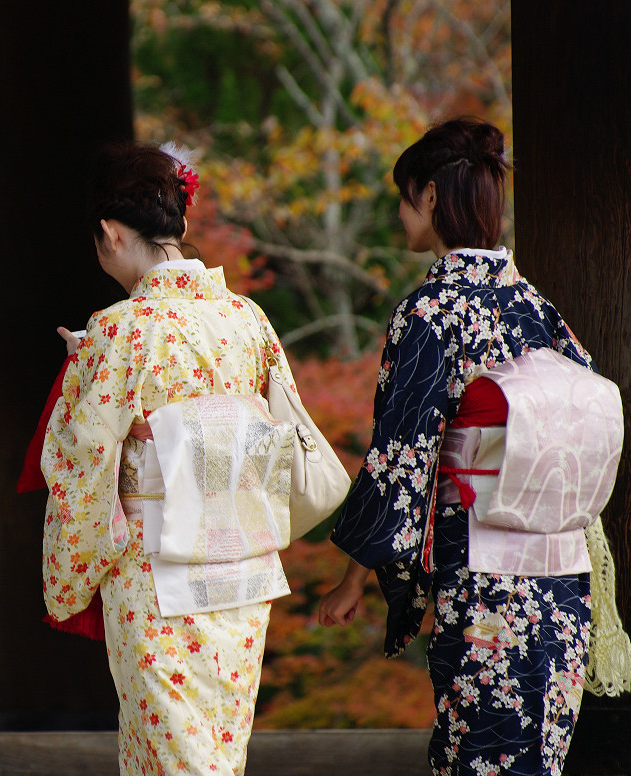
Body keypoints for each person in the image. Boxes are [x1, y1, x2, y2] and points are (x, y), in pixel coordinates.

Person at [317, 117, 602, 776]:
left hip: (485, 572)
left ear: (431, 199)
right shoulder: (537, 307)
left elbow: (400, 457)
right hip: (561, 572)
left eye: (403, 196)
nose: (399, 213)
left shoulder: (430, 313)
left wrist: (354, 576)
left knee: (479, 752)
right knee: (538, 755)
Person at [39, 141, 300, 775]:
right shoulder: (247, 318)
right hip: (242, 567)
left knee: (174, 757)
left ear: (109, 233)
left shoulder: (119, 329)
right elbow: (283, 427)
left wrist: (68, 576)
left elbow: (80, 463)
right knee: (213, 749)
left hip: (157, 573)